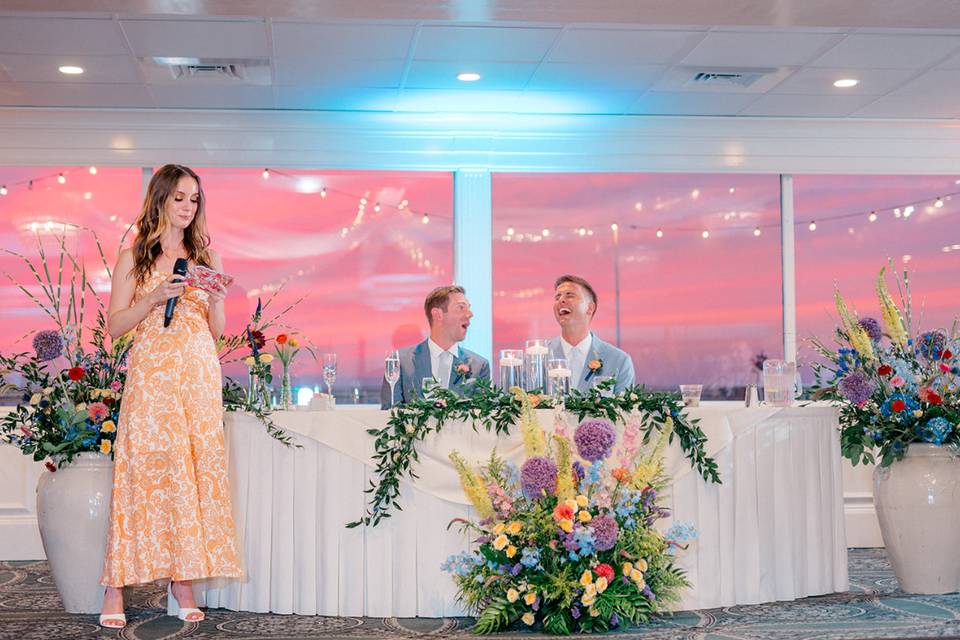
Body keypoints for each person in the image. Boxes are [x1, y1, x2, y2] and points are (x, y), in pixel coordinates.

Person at [98, 164, 242, 628]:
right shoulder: (132, 257)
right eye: (179, 197)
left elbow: (215, 334)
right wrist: (154, 297)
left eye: (194, 199)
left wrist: (215, 297)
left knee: (191, 475)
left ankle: (183, 584)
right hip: (153, 377)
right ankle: (115, 587)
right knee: (143, 472)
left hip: (198, 374)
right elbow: (114, 327)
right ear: (159, 199)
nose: (187, 207)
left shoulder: (207, 255)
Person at [380, 285, 490, 408]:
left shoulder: (479, 366)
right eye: (461, 308)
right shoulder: (399, 361)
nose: (470, 314)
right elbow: (390, 415)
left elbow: (482, 420)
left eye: (469, 308)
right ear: (438, 315)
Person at [548, 274, 635, 393]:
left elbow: (625, 410)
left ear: (590, 308)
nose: (561, 300)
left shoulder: (619, 361)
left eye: (570, 295)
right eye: (557, 297)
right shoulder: (538, 358)